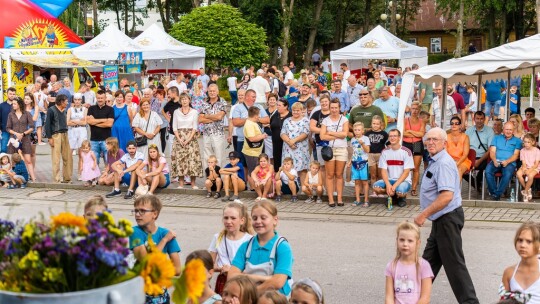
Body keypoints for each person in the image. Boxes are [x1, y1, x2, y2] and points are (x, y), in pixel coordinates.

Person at [414, 127, 479, 304]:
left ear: (445, 143)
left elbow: (446, 196)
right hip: (441, 219)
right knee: (428, 263)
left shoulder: (443, 163)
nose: (431, 142)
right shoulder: (435, 160)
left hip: (447, 218)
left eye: (435, 139)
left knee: (455, 267)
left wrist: (423, 214)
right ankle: (412, 297)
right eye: (428, 139)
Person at [228, 201, 294, 296]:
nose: (258, 221)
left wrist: (250, 289)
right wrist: (264, 278)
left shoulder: (282, 247)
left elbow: (278, 282)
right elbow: (231, 276)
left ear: (275, 220)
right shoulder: (246, 246)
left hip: (275, 299)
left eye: (263, 218)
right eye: (255, 218)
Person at [129, 195, 181, 303]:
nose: (137, 214)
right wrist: (164, 240)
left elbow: (177, 269)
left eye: (142, 211)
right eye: (136, 211)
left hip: (160, 294)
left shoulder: (165, 233)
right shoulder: (134, 232)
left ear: (155, 214)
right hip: (140, 294)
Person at [208, 202, 254, 295]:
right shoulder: (218, 238)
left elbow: (253, 268)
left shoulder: (250, 240)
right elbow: (209, 265)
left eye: (233, 218)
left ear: (242, 220)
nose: (229, 221)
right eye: (226, 218)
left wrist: (232, 270)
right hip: (223, 281)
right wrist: (220, 268)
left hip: (243, 281)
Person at [384, 222, 433, 304]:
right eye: (402, 240)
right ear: (397, 241)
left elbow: (425, 298)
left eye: (410, 241)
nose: (405, 244)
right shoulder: (391, 266)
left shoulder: (424, 266)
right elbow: (389, 297)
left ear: (418, 243)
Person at [500, 222, 540, 303]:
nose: (522, 245)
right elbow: (503, 301)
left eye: (529, 241)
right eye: (520, 240)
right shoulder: (509, 273)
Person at [319, 98, 349, 207]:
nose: (334, 110)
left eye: (336, 108)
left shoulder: (344, 119)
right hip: (329, 150)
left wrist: (330, 133)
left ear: (339, 108)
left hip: (341, 149)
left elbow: (345, 134)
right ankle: (331, 199)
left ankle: (340, 198)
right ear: (329, 108)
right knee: (330, 175)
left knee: (339, 174)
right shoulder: (326, 120)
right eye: (332, 107)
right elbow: (322, 136)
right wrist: (338, 134)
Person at [373, 129, 414, 207]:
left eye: (395, 136)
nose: (392, 138)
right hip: (390, 179)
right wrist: (388, 185)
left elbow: (406, 173)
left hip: (403, 181)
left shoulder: (406, 152)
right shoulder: (384, 152)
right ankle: (392, 196)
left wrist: (394, 187)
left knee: (400, 192)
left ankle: (400, 197)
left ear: (399, 137)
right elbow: (383, 171)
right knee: (376, 187)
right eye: (390, 136)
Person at [171, 93, 203, 189]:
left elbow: (195, 127)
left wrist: (188, 139)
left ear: (189, 100)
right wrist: (180, 139)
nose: (184, 101)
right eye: (182, 99)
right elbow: (174, 127)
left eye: (186, 99)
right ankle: (181, 184)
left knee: (192, 160)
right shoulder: (176, 112)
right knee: (180, 160)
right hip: (179, 137)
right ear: (180, 101)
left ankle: (193, 184)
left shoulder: (194, 112)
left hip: (191, 137)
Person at [486, 122, 522, 201]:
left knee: (507, 174)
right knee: (488, 171)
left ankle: (497, 194)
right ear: (503, 129)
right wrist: (494, 160)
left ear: (513, 130)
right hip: (496, 160)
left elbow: (516, 155)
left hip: (509, 163)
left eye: (510, 130)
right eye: (506, 129)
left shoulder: (517, 141)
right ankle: (495, 193)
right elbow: (492, 151)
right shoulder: (496, 138)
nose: (508, 131)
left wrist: (507, 161)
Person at [7, 95, 37, 182]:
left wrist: (23, 134)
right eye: (13, 104)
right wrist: (16, 133)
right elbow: (8, 128)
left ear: (19, 104)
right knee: (13, 160)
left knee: (28, 160)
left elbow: (32, 127)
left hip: (25, 139)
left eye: (15, 104)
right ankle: (14, 180)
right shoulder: (10, 115)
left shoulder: (27, 114)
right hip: (14, 140)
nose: (13, 105)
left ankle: (33, 179)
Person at [44, 94, 72, 183]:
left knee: (67, 157)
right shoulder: (51, 110)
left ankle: (67, 177)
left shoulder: (65, 111)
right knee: (56, 158)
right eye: (66, 101)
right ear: (61, 102)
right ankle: (57, 179)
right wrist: (49, 138)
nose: (67, 103)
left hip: (65, 134)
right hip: (56, 135)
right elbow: (47, 125)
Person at [281, 102, 310, 186]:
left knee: (302, 169)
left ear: (301, 111)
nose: (296, 112)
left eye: (298, 110)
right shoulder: (287, 120)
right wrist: (289, 142)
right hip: (288, 148)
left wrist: (294, 141)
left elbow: (305, 133)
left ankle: (304, 190)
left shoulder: (305, 120)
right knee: (288, 168)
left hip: (301, 149)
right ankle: (290, 189)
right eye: (294, 110)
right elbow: (282, 133)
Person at [200, 84, 227, 168]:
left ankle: (218, 178)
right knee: (207, 156)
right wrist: (214, 118)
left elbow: (220, 117)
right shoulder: (204, 102)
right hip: (206, 134)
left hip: (218, 134)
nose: (212, 93)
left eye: (214, 91)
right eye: (210, 91)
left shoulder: (222, 102)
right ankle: (209, 177)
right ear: (208, 92)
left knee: (218, 156)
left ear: (217, 91)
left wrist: (207, 116)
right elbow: (200, 119)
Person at [402, 102, 425, 195]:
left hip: (417, 144)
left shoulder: (421, 121)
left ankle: (414, 188)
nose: (414, 111)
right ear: (410, 109)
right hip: (406, 143)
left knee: (416, 167)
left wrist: (410, 131)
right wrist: (416, 132)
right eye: (413, 108)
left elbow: (421, 134)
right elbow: (403, 133)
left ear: (419, 110)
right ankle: (403, 185)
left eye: (416, 109)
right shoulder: (405, 120)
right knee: (405, 167)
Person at [87, 90, 114, 166]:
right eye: (98, 98)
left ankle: (107, 177)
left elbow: (109, 124)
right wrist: (104, 120)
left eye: (102, 98)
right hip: (94, 139)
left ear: (105, 98)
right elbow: (89, 122)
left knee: (108, 162)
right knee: (94, 162)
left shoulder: (110, 109)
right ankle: (95, 177)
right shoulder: (91, 109)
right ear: (96, 98)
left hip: (106, 140)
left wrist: (94, 122)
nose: (100, 100)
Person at [243, 106, 268, 187]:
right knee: (252, 171)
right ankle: (253, 188)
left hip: (256, 151)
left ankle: (255, 187)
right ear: (256, 116)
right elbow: (251, 139)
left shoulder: (252, 122)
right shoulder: (249, 124)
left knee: (255, 170)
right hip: (251, 152)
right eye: (259, 115)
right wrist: (263, 136)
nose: (259, 116)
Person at [349, 122, 370, 207]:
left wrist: (362, 143)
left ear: (362, 131)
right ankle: (357, 199)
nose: (357, 132)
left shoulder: (366, 138)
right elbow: (354, 151)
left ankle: (366, 200)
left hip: (363, 162)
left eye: (359, 130)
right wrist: (350, 161)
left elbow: (367, 150)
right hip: (355, 162)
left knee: (364, 181)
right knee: (356, 182)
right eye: (355, 130)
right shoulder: (353, 139)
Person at [517, 134, 540, 202]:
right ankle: (527, 189)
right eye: (525, 142)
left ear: (533, 142)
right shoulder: (522, 151)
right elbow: (523, 162)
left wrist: (529, 170)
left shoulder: (537, 151)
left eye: (528, 142)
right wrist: (524, 169)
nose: (526, 144)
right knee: (518, 174)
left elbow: (536, 164)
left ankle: (525, 192)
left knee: (530, 176)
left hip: (534, 167)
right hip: (525, 166)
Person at [271, 99, 292, 169]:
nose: (277, 107)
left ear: (285, 106)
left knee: (287, 162)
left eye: (279, 105)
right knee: (277, 162)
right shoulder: (275, 115)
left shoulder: (291, 116)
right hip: (276, 143)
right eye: (277, 105)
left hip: (287, 144)